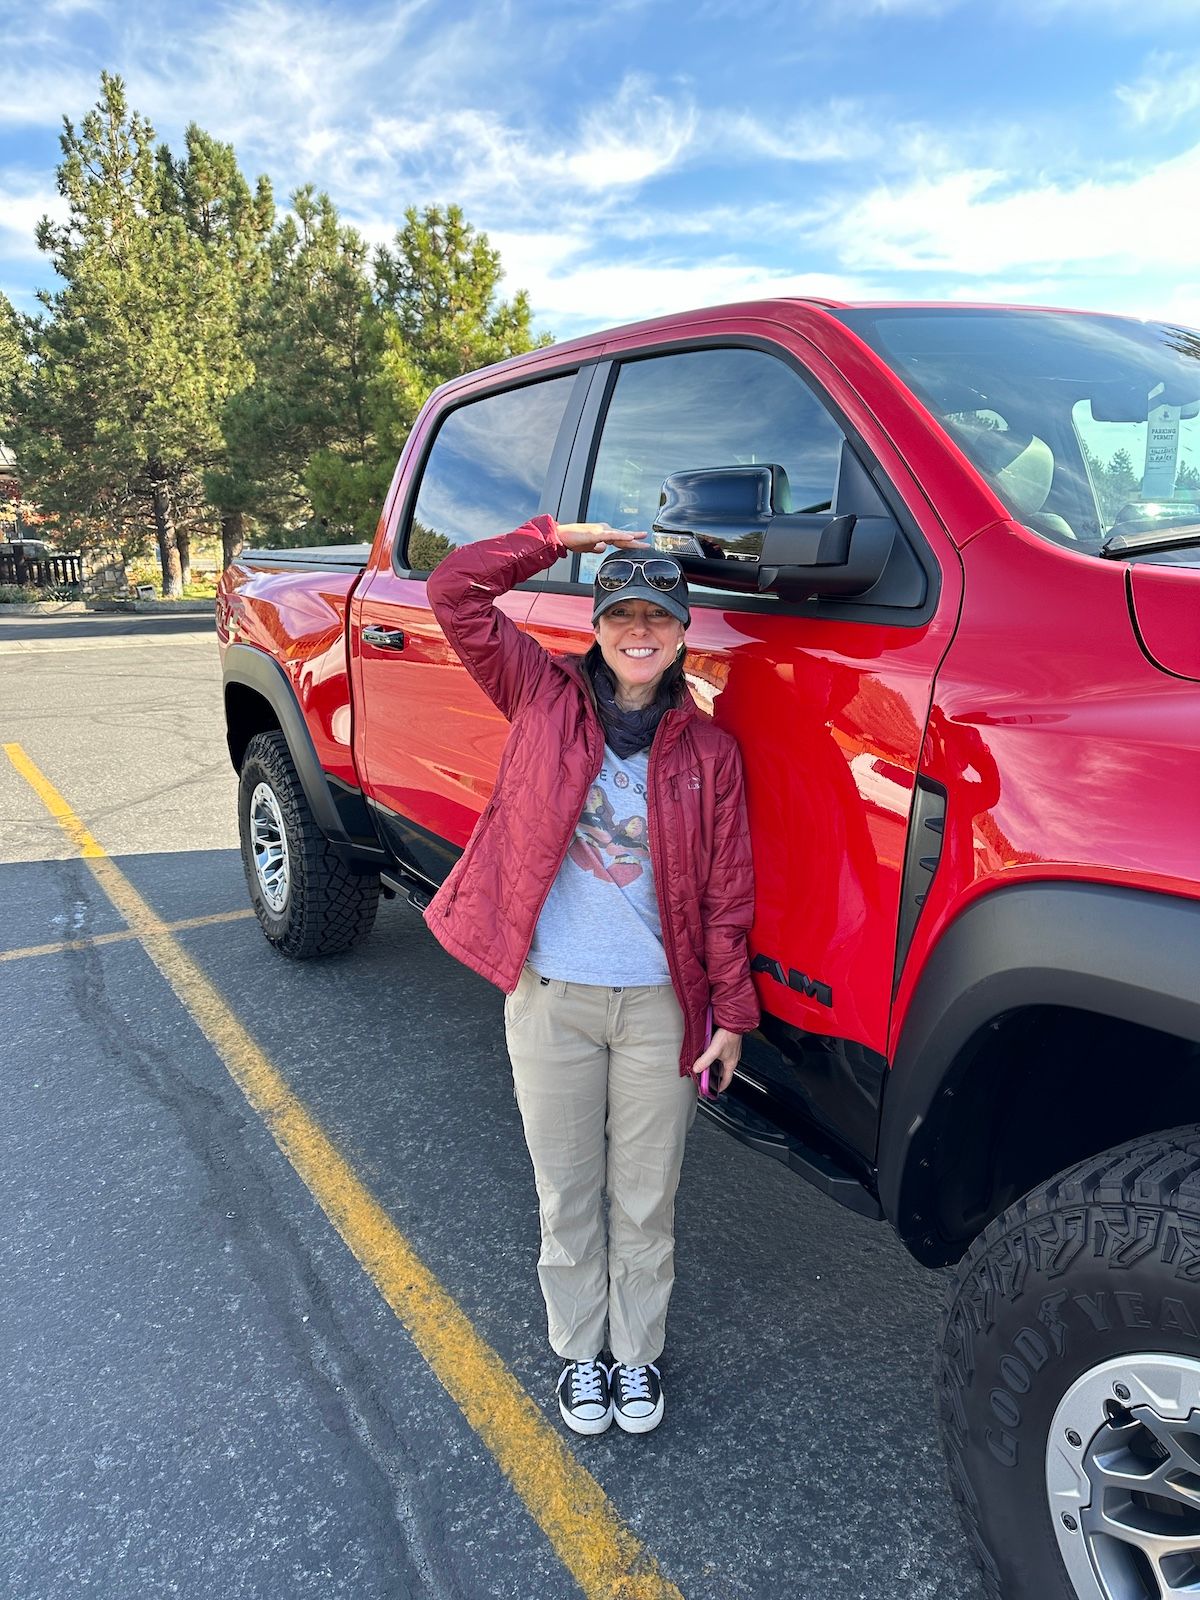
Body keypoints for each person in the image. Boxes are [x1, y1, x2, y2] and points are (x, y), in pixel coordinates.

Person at [423, 514, 758, 1436]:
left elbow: (728, 892)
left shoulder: (709, 753)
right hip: (552, 999)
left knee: (645, 1202)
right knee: (567, 1194)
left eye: (657, 615)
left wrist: (730, 1011)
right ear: (597, 625)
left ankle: (636, 1359)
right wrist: (554, 536)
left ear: (684, 630)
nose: (638, 631)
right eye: (620, 614)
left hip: (660, 1011)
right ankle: (581, 1356)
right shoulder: (539, 695)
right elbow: (455, 589)